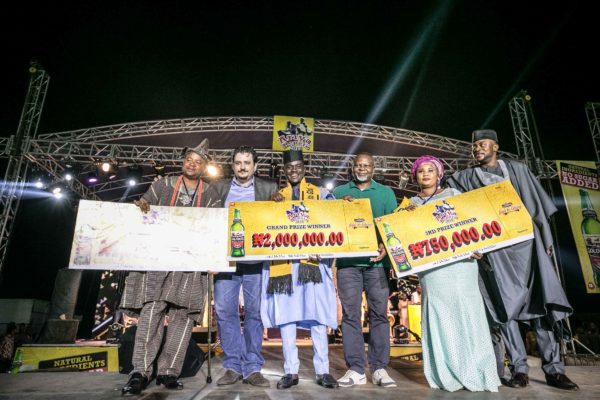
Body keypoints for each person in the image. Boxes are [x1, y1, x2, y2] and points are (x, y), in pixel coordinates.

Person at [447, 129, 578, 391]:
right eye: (474, 146)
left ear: (496, 146)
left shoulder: (517, 170)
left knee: (541, 305)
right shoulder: (466, 178)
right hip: (497, 252)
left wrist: (546, 243)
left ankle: (554, 370)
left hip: (528, 248)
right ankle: (519, 368)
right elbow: (451, 204)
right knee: (506, 309)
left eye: (483, 144)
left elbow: (538, 208)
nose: (477, 149)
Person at [119, 139, 216, 395]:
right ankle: (140, 372)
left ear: (204, 167)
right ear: (183, 162)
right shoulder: (163, 184)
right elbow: (143, 207)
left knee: (183, 319)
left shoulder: (210, 194)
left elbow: (215, 228)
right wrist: (140, 206)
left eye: (197, 162)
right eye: (188, 160)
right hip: (159, 262)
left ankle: (169, 372)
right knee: (151, 313)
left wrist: (214, 260)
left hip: (190, 265)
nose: (192, 164)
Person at [407, 155, 501, 392]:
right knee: (441, 316)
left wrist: (479, 246)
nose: (425, 174)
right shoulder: (410, 205)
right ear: (415, 177)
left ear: (439, 174)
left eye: (430, 170)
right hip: (432, 270)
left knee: (468, 312)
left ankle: (478, 371)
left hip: (461, 266)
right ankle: (446, 373)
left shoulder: (454, 195)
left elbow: (474, 222)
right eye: (421, 171)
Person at [261, 149, 339, 390]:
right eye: (289, 167)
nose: (293, 170)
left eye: (298, 166)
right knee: (287, 317)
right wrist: (271, 207)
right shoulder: (278, 197)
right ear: (284, 170)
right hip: (285, 266)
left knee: (317, 317)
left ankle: (323, 370)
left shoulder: (321, 194)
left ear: (305, 168)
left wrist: (326, 249)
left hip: (312, 263)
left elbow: (335, 221)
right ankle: (290, 371)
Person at [211, 146, 278, 388]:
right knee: (224, 311)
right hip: (225, 261)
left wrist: (278, 204)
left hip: (256, 262)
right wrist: (209, 256)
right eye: (238, 162)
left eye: (247, 163)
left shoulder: (269, 188)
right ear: (232, 165)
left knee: (254, 313)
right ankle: (232, 366)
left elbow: (279, 221)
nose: (242, 167)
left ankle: (252, 368)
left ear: (255, 166)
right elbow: (207, 221)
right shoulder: (218, 188)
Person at [332, 152, 398, 387]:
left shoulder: (386, 193)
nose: (362, 168)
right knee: (350, 316)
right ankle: (356, 369)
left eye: (366, 165)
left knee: (379, 314)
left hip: (377, 264)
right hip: (348, 265)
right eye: (358, 165)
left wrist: (385, 247)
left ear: (373, 168)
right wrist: (339, 207)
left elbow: (392, 225)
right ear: (353, 167)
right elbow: (330, 223)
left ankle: (379, 368)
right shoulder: (339, 192)